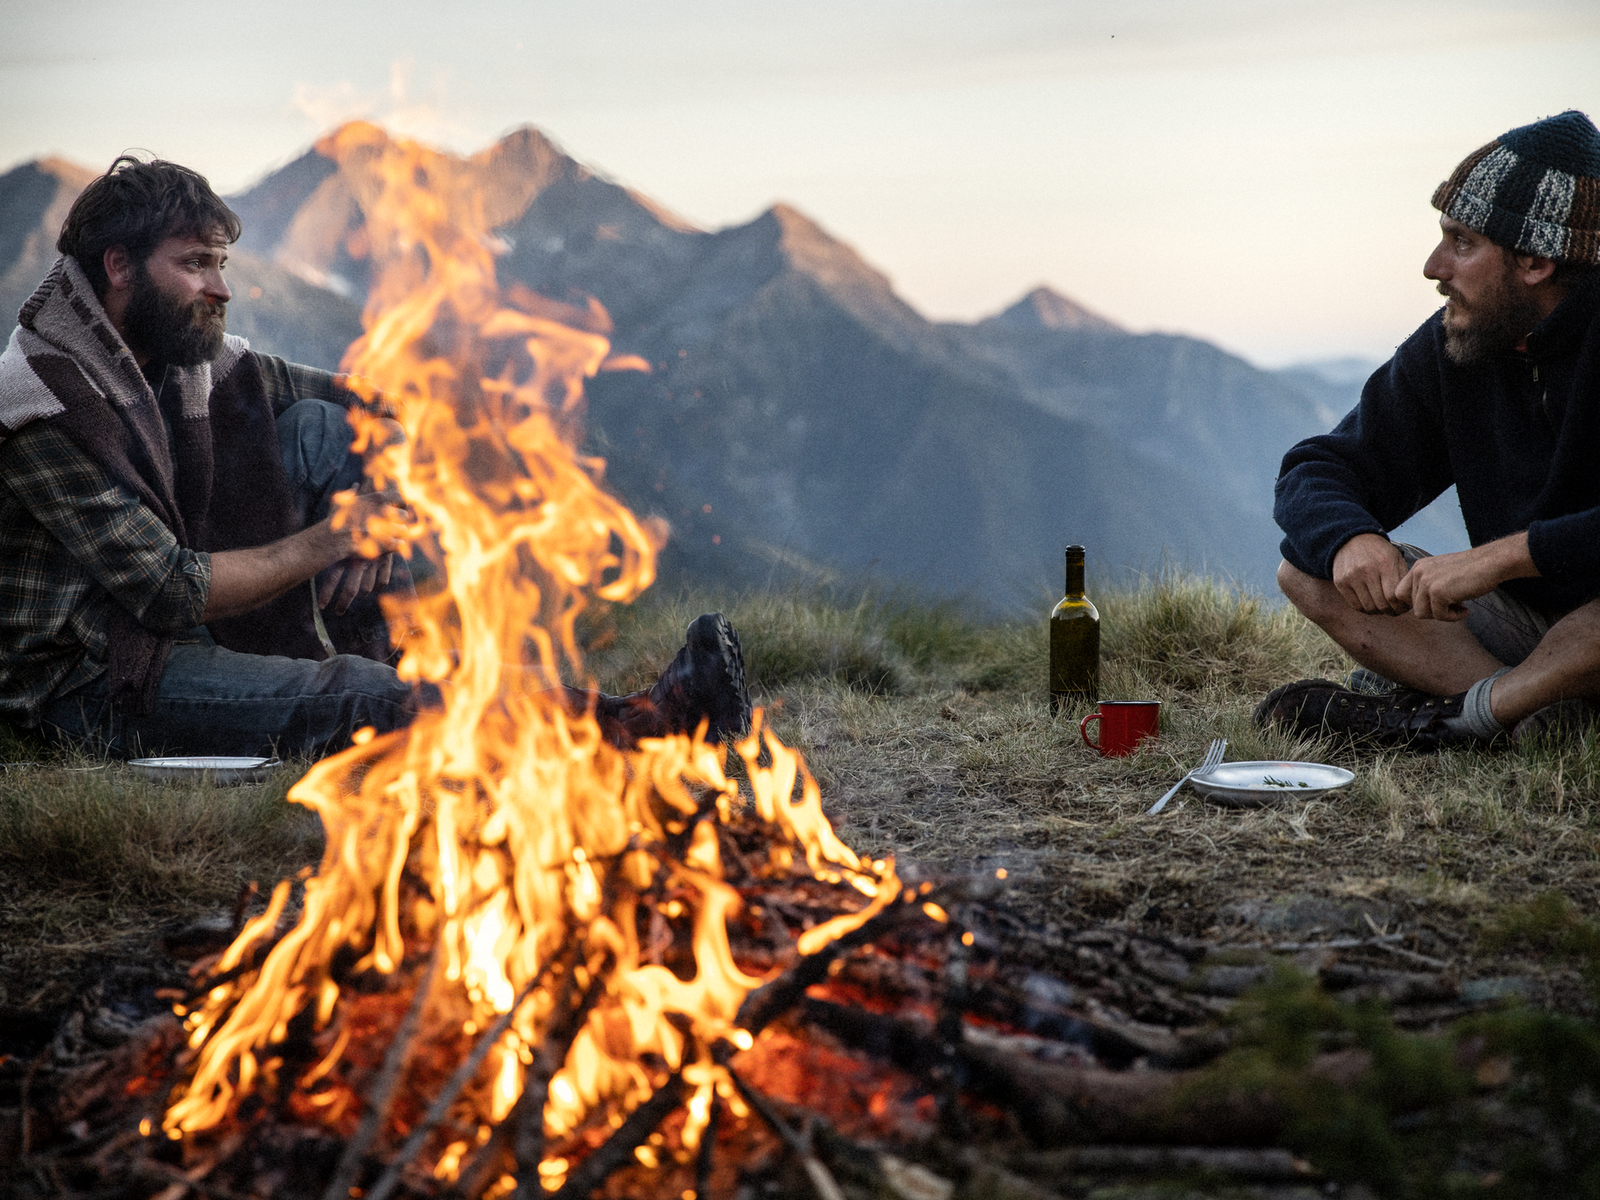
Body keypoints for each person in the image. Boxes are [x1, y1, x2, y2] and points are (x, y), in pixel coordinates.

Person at [0, 155, 749, 759]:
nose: (221, 288)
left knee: (326, 430)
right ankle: (633, 725)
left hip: (164, 616)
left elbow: (364, 404)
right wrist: (334, 537)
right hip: (95, 676)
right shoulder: (46, 401)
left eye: (221, 262)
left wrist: (374, 476)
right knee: (353, 698)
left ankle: (401, 662)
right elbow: (169, 590)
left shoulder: (169, 353)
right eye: (196, 263)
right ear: (119, 267)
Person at [1256, 109, 1600, 750]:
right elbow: (1319, 468)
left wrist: (1502, 557)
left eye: (1462, 243)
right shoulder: (1457, 348)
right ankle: (1532, 723)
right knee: (1308, 567)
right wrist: (1352, 539)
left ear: (1533, 262)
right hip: (1527, 630)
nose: (1433, 266)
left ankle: (1456, 720)